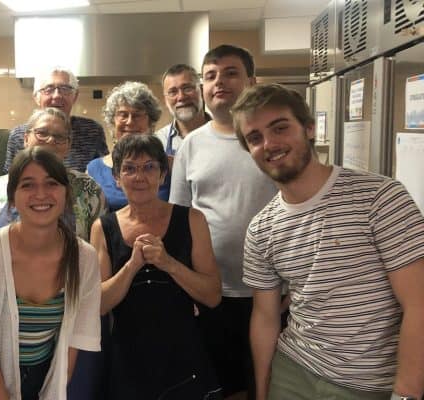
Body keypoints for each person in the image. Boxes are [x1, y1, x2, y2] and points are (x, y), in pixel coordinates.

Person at [231, 83, 424, 400]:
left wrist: (406, 395)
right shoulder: (261, 229)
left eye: (280, 128)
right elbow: (265, 318)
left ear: (308, 128)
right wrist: (263, 393)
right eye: (255, 138)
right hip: (292, 370)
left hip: (368, 384)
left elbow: (419, 304)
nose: (269, 144)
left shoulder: (379, 198)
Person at [169, 44, 278, 399]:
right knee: (226, 386)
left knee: (269, 384)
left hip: (273, 293)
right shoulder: (192, 145)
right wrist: (188, 290)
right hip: (212, 294)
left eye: (231, 73)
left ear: (252, 81)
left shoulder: (272, 141)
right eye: (211, 76)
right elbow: (179, 220)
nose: (220, 83)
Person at [0, 147, 101, 400]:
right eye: (28, 185)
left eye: (51, 183)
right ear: (12, 198)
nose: (41, 194)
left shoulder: (84, 258)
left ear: (67, 194)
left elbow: (73, 343)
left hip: (44, 377)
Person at [92, 134, 223, 399]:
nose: (139, 177)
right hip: (127, 357)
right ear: (117, 178)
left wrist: (169, 263)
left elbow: (212, 296)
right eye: (129, 168)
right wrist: (132, 265)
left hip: (183, 355)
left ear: (163, 175)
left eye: (149, 167)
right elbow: (99, 304)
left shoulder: (192, 219)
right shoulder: (103, 228)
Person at [0, 108, 106, 241]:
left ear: (68, 145)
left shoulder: (88, 189)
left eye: (59, 137)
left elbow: (99, 246)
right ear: (26, 139)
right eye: (42, 133)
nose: (50, 140)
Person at [3, 66, 108, 173]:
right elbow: (11, 177)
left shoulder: (92, 130)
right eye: (49, 89)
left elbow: (104, 173)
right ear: (36, 97)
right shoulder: (18, 135)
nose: (57, 95)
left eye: (65, 89)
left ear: (75, 96)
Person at [86, 81, 169, 212]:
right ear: (112, 121)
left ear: (151, 122)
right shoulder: (93, 170)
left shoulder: (170, 164)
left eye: (137, 115)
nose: (130, 122)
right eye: (123, 115)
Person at [154, 64, 212, 159]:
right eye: (173, 92)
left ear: (202, 91)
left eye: (187, 88)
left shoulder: (224, 134)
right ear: (165, 100)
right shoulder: (158, 141)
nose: (181, 97)